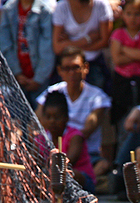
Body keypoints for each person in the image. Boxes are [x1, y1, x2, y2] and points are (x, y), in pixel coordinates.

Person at [35, 47, 112, 175]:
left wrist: (69, 139)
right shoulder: (51, 93)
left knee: (101, 165)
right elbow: (36, 122)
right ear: (59, 70)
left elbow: (88, 129)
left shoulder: (98, 97)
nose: (71, 72)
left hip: (87, 155)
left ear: (85, 68)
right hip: (51, 152)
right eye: (66, 68)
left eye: (76, 67)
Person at [0, 0, 53, 105]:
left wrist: (39, 78)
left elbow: (47, 47)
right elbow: (5, 43)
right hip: (17, 75)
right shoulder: (8, 9)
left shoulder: (44, 12)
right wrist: (16, 72)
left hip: (38, 76)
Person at [52, 0, 113, 89]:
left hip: (97, 64)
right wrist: (88, 39)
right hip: (69, 66)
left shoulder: (101, 5)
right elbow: (57, 48)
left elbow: (104, 41)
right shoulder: (61, 8)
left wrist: (69, 43)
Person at [108, 0, 140, 125]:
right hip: (122, 84)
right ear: (123, 15)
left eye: (137, 14)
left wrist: (123, 49)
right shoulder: (118, 34)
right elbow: (117, 59)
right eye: (129, 14)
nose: (133, 18)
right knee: (122, 119)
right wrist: (137, 54)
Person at [38, 89, 94, 190]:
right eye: (48, 117)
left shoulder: (75, 136)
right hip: (50, 177)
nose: (52, 121)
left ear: (66, 118)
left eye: (57, 117)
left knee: (68, 174)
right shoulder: (41, 138)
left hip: (80, 181)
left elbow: (69, 162)